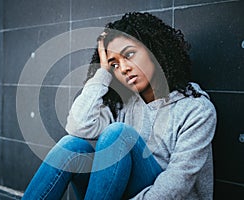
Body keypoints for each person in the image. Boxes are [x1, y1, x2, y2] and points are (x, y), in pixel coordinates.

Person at [22, 12, 217, 200]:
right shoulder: (126, 105)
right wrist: (103, 71)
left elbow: (177, 185)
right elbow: (78, 126)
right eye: (114, 64)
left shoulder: (196, 109)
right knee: (71, 145)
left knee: (118, 134)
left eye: (130, 54)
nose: (123, 68)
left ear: (154, 51)